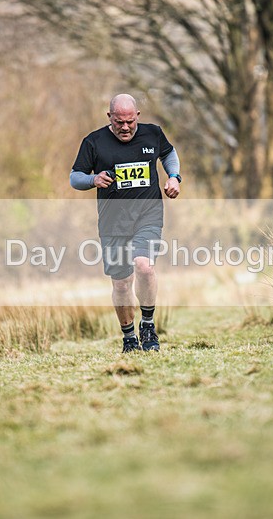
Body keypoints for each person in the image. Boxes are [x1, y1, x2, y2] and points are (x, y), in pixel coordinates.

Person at [70, 94, 181, 353]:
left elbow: (169, 153)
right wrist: (93, 179)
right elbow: (75, 177)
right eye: (119, 122)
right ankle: (129, 337)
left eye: (130, 121)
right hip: (113, 222)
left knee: (144, 267)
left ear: (137, 116)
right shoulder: (94, 142)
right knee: (121, 284)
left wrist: (174, 177)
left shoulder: (152, 134)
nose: (125, 127)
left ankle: (148, 325)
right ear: (109, 117)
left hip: (148, 214)